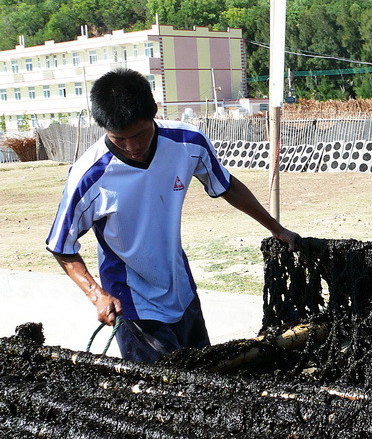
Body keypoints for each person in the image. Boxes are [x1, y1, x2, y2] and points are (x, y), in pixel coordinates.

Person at [46, 68, 301, 364]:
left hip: (181, 288)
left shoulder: (187, 142)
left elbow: (226, 185)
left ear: (154, 111)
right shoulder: (88, 176)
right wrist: (96, 295)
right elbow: (61, 245)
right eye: (120, 140)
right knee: (164, 391)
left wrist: (275, 228)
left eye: (139, 134)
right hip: (131, 300)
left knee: (205, 373)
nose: (132, 148)